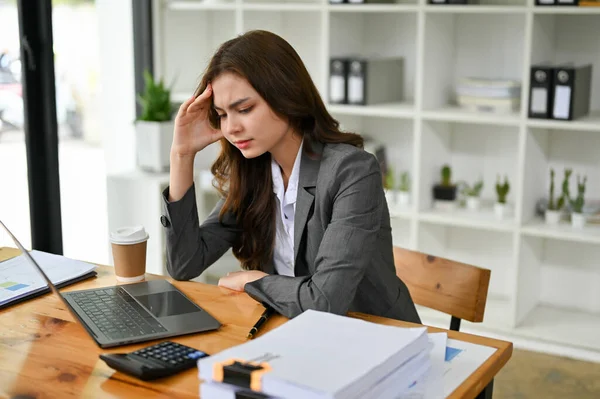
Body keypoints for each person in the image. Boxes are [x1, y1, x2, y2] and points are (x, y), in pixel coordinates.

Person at [160, 30, 421, 324]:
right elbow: (184, 264)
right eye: (221, 114)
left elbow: (324, 301)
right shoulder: (254, 172)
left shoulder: (353, 171)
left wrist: (253, 282)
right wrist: (181, 155)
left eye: (244, 109)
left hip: (374, 337)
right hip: (295, 333)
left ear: (285, 96)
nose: (231, 128)